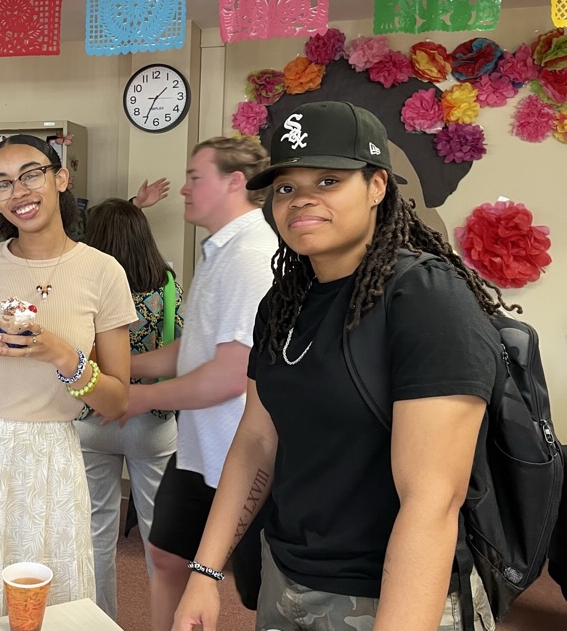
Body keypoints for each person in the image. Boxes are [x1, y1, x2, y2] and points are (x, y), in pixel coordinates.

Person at [172, 101, 509, 631]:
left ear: (377, 187)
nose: (301, 199)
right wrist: (205, 570)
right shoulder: (284, 302)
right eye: (285, 186)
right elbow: (257, 439)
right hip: (287, 576)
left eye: (328, 179)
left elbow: (432, 503)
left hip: (391, 596)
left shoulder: (424, 297)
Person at [0, 134, 137, 630]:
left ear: (61, 179)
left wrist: (62, 354)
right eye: (1, 183)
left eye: (31, 174)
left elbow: (118, 399)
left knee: (50, 598)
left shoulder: (103, 272)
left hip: (53, 456)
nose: (19, 191)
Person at [125, 136, 276, 631]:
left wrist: (135, 397)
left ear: (235, 182)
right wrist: (122, 366)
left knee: (260, 594)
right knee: (167, 557)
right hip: (198, 451)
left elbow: (231, 375)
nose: (185, 189)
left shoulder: (253, 254)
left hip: (241, 454)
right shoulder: (219, 251)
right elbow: (195, 350)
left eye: (195, 177)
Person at [75, 197, 184, 619]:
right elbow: (182, 345)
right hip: (151, 419)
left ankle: (100, 621)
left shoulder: (85, 284)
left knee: (95, 532)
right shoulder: (168, 284)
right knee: (160, 535)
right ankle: (169, 621)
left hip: (90, 416)